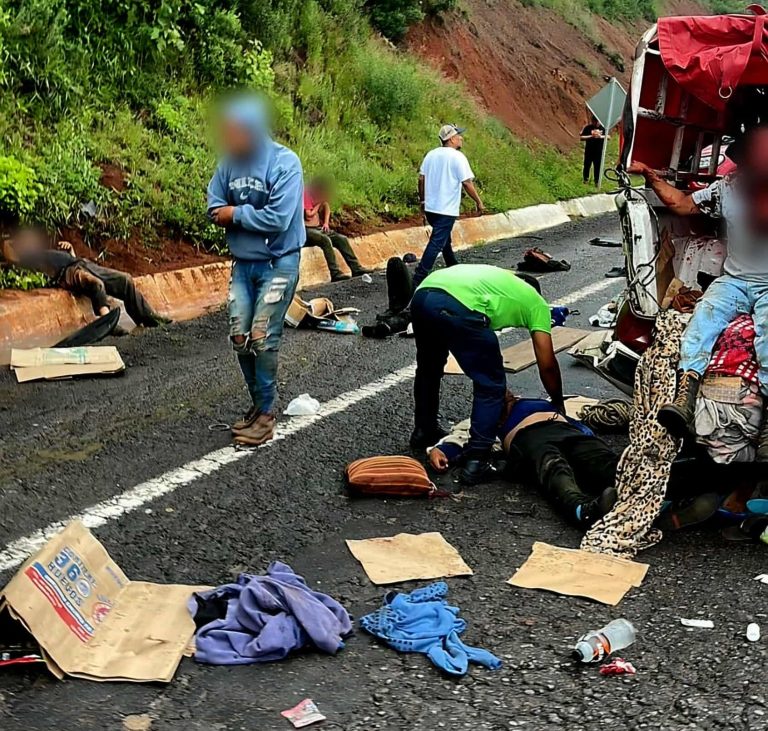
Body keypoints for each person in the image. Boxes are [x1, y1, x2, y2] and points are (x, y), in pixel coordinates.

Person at [629, 123, 768, 458]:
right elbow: (681, 204)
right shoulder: (728, 189)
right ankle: (686, 394)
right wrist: (651, 178)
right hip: (733, 281)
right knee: (700, 322)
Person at [427, 392, 721, 531]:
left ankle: (682, 488)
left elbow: (587, 409)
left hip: (571, 433)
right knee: (555, 470)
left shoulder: (536, 402)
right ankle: (585, 510)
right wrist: (442, 451)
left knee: (615, 468)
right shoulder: (483, 420)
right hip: (529, 441)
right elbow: (458, 438)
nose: (503, 392)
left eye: (502, 389)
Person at [207, 94, 305, 447]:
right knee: (239, 337)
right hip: (243, 266)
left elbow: (278, 219)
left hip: (279, 262)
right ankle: (258, 405)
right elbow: (213, 206)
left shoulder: (285, 163)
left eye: (235, 131)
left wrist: (236, 214)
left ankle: (265, 416)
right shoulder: (228, 163)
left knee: (262, 336)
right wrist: (235, 213)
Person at [410, 263, 564, 485]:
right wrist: (557, 401)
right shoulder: (536, 303)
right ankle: (477, 461)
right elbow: (547, 363)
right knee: (491, 385)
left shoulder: (497, 281)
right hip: (457, 304)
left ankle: (423, 430)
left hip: (423, 295)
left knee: (429, 369)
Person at [0, 228, 169, 327]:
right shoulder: (31, 257)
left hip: (82, 264)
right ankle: (106, 321)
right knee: (96, 284)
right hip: (68, 273)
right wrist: (6, 240)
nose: (31, 239)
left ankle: (148, 317)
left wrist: (71, 250)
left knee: (125, 280)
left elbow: (73, 259)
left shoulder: (48, 250)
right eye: (27, 239)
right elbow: (11, 257)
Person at [414, 124, 484, 289]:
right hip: (446, 210)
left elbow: (421, 179)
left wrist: (423, 201)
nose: (461, 138)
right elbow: (467, 183)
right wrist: (479, 202)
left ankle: (453, 267)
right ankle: (417, 278)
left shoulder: (431, 155)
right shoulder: (457, 157)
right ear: (451, 139)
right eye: (458, 135)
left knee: (444, 240)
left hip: (431, 209)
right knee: (436, 243)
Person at [303, 177, 371, 282]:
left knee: (341, 239)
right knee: (325, 240)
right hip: (307, 230)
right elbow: (309, 215)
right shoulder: (306, 195)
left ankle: (356, 268)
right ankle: (335, 272)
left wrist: (325, 223)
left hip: (318, 227)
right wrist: (319, 203)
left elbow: (326, 206)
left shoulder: (319, 197)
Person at [580, 116, 606, 186]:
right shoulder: (588, 128)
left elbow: (608, 136)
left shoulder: (603, 128)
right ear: (592, 121)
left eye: (598, 121)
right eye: (595, 121)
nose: (597, 123)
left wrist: (600, 136)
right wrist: (591, 136)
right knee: (587, 165)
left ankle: (597, 181)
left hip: (599, 151)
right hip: (589, 150)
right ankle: (585, 179)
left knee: (597, 166)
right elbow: (581, 137)